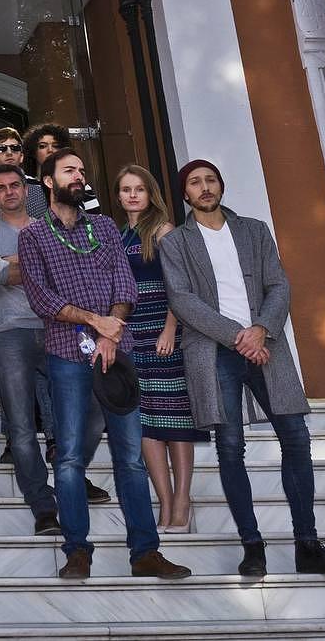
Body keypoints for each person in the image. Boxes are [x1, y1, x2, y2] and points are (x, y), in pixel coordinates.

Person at [160, 160, 325, 577]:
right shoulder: (176, 242)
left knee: (296, 437)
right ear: (185, 194)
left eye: (211, 180)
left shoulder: (254, 230)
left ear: (221, 186)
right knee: (230, 447)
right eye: (195, 183)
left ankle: (308, 543)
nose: (205, 188)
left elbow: (278, 284)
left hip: (267, 345)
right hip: (216, 350)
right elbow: (183, 300)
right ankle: (252, 545)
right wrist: (239, 336)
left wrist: (261, 329)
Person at [18, 149, 190, 580]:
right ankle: (77, 551)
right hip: (67, 357)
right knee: (71, 457)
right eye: (69, 171)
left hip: (119, 353)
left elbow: (124, 284)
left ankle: (145, 552)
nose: (79, 176)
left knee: (130, 458)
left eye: (81, 169)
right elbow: (43, 299)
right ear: (49, 182)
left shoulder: (105, 227)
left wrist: (110, 333)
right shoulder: (34, 235)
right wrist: (98, 325)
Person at [115, 165, 208, 533]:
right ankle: (165, 502)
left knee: (175, 421)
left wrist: (171, 328)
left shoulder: (164, 231)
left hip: (165, 333)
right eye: (125, 189)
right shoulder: (119, 236)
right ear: (119, 196)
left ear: (150, 193)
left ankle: (183, 500)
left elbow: (180, 287)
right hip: (132, 335)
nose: (133, 195)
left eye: (139, 188)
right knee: (147, 425)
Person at [0, 164, 60, 535]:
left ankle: (72, 481)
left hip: (57, 329)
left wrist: (18, 264)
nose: (9, 192)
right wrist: (44, 264)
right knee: (21, 428)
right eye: (1, 188)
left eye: (15, 186)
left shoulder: (50, 226)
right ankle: (42, 506)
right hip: (8, 333)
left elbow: (72, 271)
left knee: (69, 421)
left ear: (27, 190)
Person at [0, 127, 49, 222]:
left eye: (15, 148)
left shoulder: (42, 191)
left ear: (21, 156)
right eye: (2, 149)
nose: (9, 153)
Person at [22, 123, 99, 212]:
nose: (50, 150)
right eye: (42, 146)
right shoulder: (23, 182)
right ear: (33, 151)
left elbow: (96, 220)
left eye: (56, 146)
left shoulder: (78, 184)